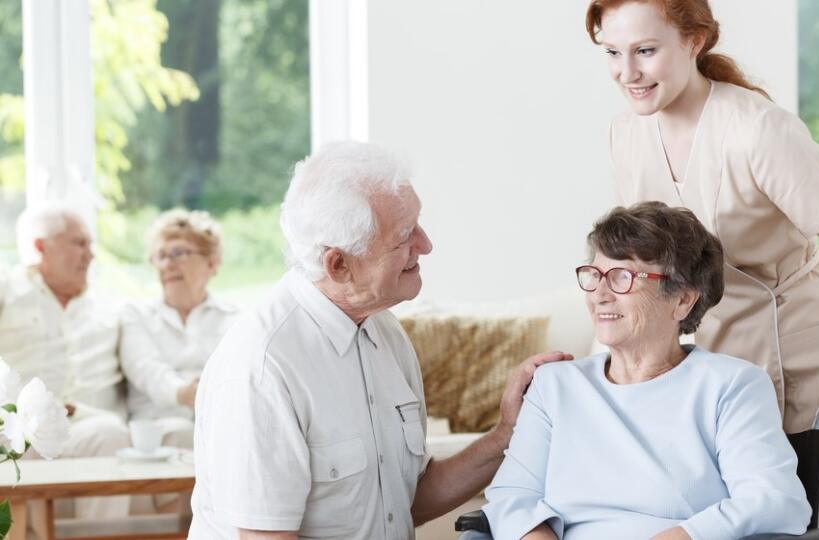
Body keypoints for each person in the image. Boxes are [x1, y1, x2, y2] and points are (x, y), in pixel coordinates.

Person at [585, 2, 819, 538]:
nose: (627, 72)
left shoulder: (760, 131)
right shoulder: (627, 134)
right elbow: (635, 272)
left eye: (645, 51)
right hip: (721, 385)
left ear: (695, 41)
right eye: (613, 52)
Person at [189, 141, 572, 539]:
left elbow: (408, 501)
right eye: (405, 235)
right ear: (338, 264)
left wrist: (507, 433)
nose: (425, 245)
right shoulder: (263, 368)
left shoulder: (381, 329)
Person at [476, 202, 810, 540]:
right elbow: (513, 497)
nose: (600, 295)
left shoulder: (732, 386)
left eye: (622, 277)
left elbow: (774, 501)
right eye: (594, 276)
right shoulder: (554, 384)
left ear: (683, 300)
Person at [0, 202, 129, 518]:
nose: (91, 254)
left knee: (110, 432)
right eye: (79, 242)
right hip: (17, 433)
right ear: (41, 247)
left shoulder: (109, 307)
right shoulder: (8, 292)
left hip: (86, 429)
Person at [119, 208, 237, 448]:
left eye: (178, 253)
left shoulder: (236, 319)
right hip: (155, 432)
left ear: (211, 263)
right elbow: (146, 370)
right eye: (160, 256)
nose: (167, 264)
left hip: (221, 424)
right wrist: (185, 392)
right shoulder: (137, 315)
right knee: (182, 433)